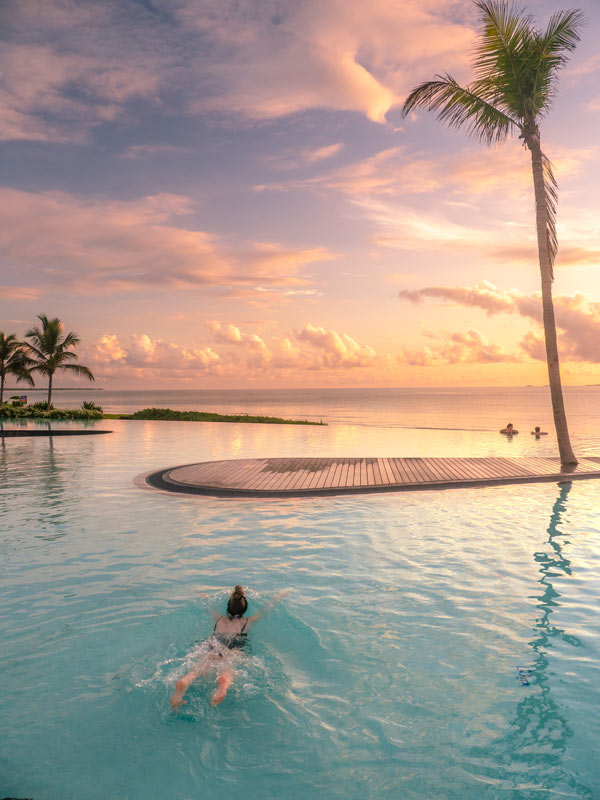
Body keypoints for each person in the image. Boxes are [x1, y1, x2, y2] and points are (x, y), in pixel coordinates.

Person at [170, 585, 289, 710]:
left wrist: (199, 593)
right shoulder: (246, 622)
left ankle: (184, 681)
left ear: (228, 606)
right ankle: (223, 684)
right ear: (244, 609)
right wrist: (278, 596)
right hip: (232, 649)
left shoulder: (219, 619)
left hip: (213, 646)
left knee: (196, 671)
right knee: (227, 671)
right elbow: (265, 610)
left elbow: (208, 603)